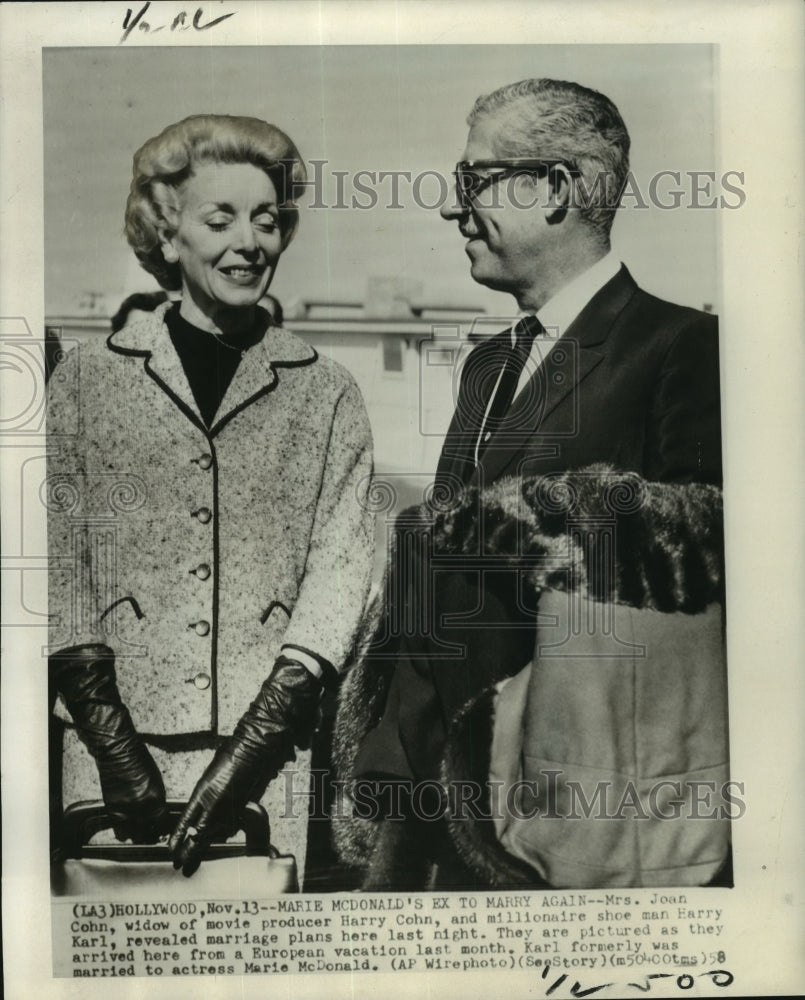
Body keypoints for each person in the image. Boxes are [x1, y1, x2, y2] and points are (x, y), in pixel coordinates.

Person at [333, 78, 727, 890]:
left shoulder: (682, 347)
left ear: (553, 190)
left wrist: (538, 518)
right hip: (431, 803)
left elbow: (706, 558)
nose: (453, 208)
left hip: (571, 813)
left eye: (472, 179)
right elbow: (438, 578)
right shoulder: (488, 362)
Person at [46, 114, 375, 876]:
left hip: (268, 756)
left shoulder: (327, 393)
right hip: (111, 756)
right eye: (218, 218)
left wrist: (256, 743)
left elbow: (341, 573)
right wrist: (109, 737)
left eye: (266, 220)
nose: (248, 242)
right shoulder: (88, 381)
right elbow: (56, 561)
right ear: (166, 236)